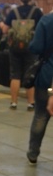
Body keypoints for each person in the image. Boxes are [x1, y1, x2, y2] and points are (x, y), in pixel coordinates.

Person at [0, 0, 43, 110]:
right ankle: (30, 103)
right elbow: (42, 28)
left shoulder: (13, 12)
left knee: (15, 75)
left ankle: (13, 102)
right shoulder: (37, 12)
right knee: (30, 74)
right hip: (31, 47)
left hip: (15, 47)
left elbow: (5, 30)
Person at [26, 13, 53, 164]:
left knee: (41, 115)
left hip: (46, 74)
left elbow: (36, 47)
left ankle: (33, 152)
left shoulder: (46, 20)